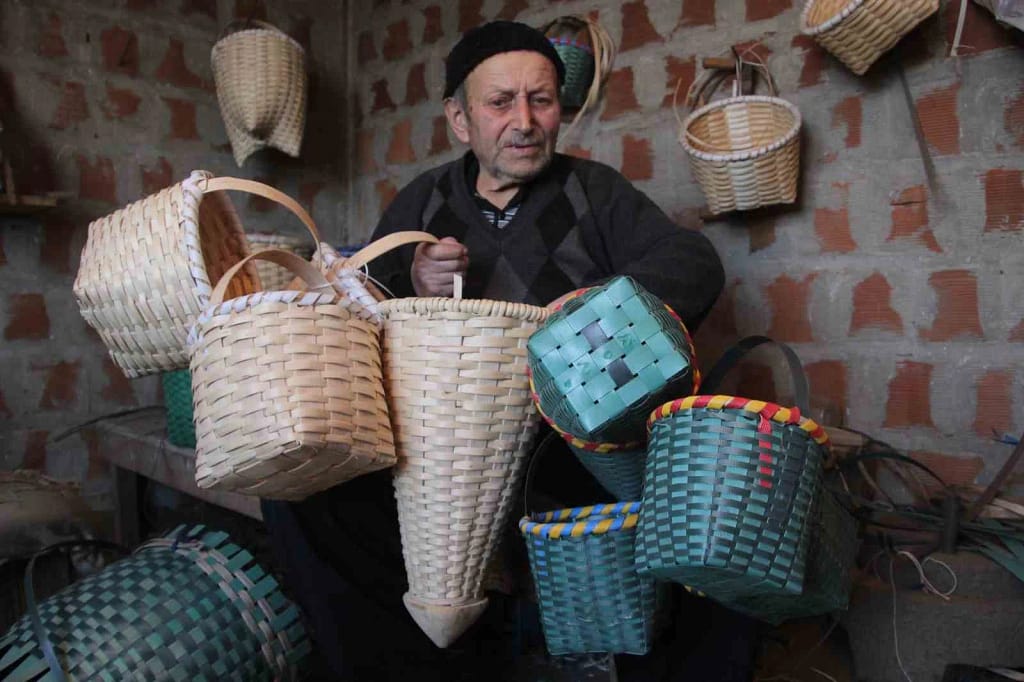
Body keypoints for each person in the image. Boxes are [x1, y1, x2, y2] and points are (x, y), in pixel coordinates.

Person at [261, 20, 752, 682]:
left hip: (563, 453)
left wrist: (597, 311)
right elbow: (358, 303)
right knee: (301, 500)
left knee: (714, 523)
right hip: (433, 461)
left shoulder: (594, 191)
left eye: (541, 100)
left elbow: (692, 262)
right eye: (500, 103)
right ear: (459, 119)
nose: (524, 121)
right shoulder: (423, 201)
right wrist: (412, 278)